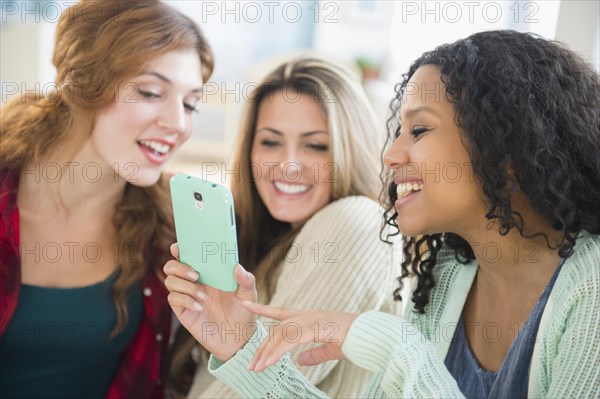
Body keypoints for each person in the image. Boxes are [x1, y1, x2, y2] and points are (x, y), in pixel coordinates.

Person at [163, 30, 600, 398]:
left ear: (505, 147)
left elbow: (404, 355)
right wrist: (241, 347)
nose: (391, 154)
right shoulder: (449, 273)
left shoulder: (591, 290)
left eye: (420, 130)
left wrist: (395, 345)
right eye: (397, 131)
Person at [0, 1, 213, 398]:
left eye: (190, 103)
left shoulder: (171, 229)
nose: (179, 124)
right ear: (85, 84)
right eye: (151, 92)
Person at [166, 57, 401, 398]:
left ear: (350, 149)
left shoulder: (356, 221)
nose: (288, 166)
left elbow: (265, 384)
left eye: (315, 145)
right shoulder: (266, 241)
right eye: (271, 142)